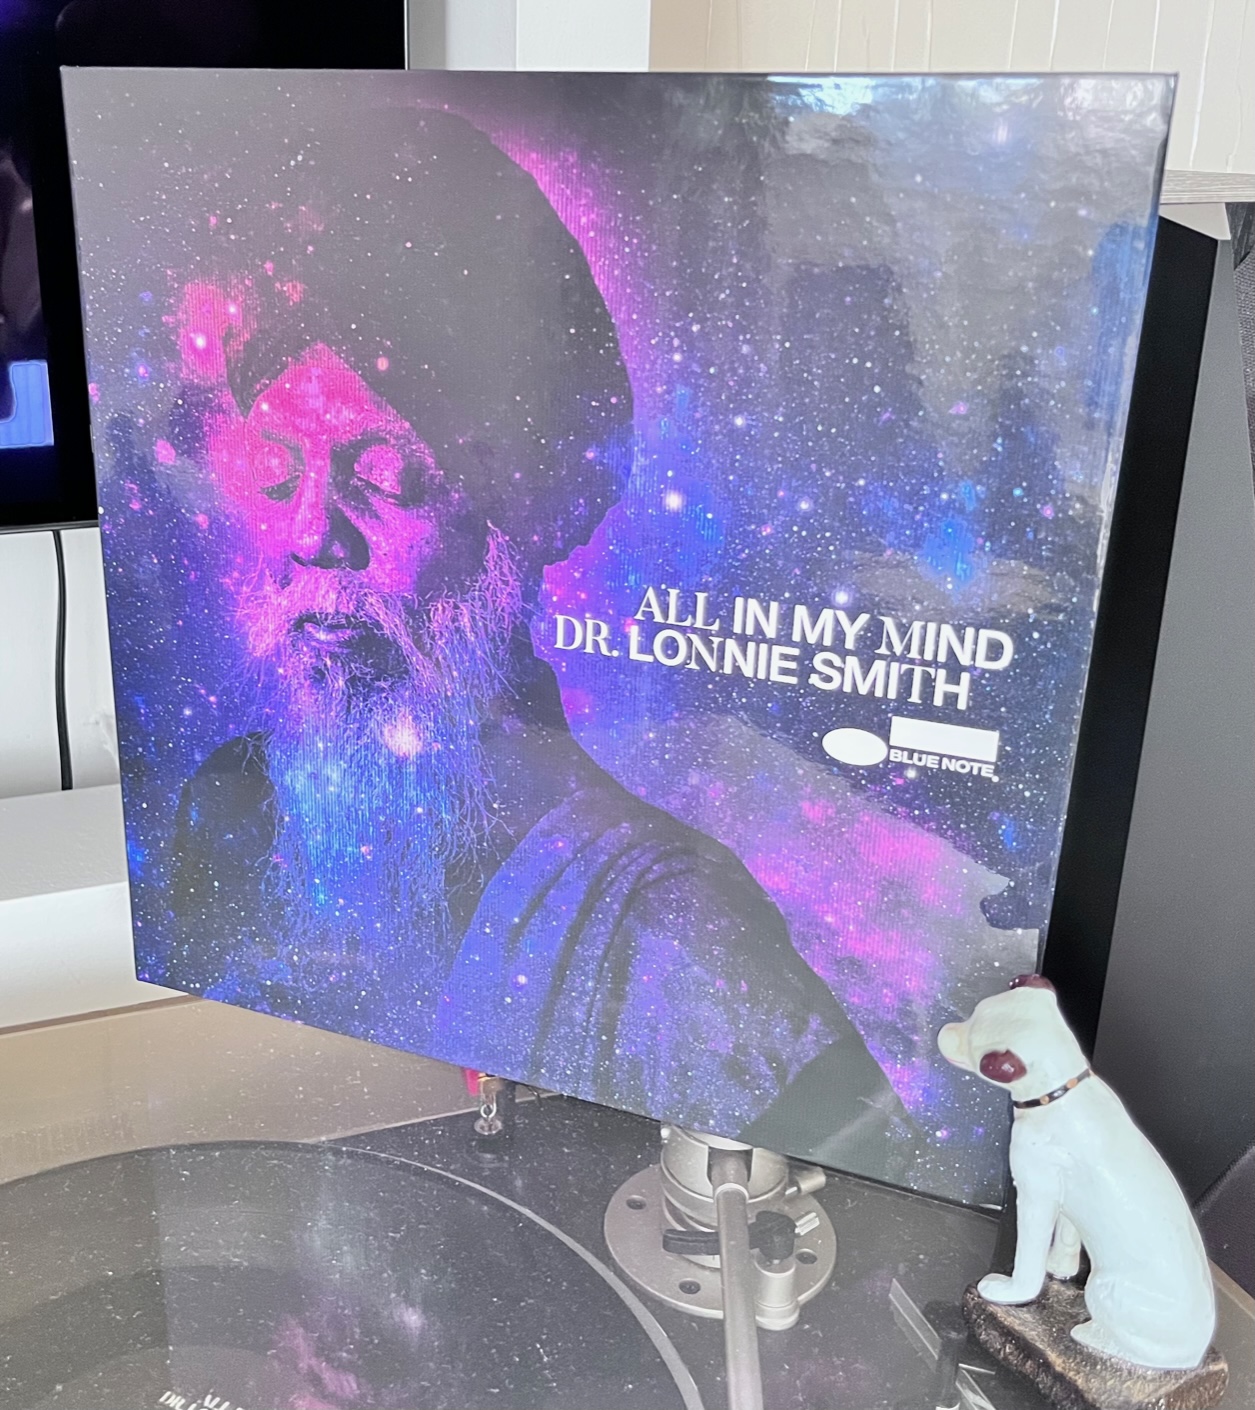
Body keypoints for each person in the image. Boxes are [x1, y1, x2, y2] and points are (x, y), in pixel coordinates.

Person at [160, 105, 912, 1163]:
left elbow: (859, 1188)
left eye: (388, 478)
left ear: (511, 521)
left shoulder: (670, 933)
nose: (311, 533)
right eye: (277, 473)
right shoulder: (233, 805)